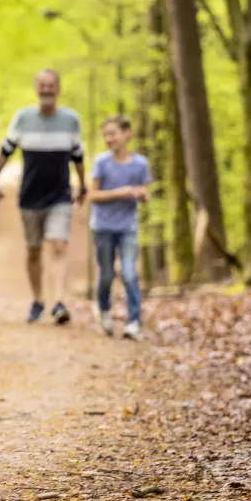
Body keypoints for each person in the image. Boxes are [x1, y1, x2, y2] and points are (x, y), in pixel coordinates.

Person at [0, 69, 86, 325]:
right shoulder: (22, 118)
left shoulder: (71, 120)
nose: (47, 90)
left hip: (60, 195)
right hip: (30, 195)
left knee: (58, 245)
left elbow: (78, 156)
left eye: (51, 85)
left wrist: (82, 184)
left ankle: (58, 302)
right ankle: (37, 300)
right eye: (42, 85)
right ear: (37, 89)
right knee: (33, 250)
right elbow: (6, 151)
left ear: (58, 89)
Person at [88, 116, 151, 340]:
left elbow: (146, 193)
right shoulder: (102, 163)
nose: (109, 139)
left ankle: (134, 321)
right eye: (106, 135)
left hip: (128, 227)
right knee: (106, 275)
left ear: (127, 133)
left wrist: (142, 195)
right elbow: (92, 195)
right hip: (103, 226)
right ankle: (103, 310)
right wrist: (121, 192)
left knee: (129, 273)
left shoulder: (140, 164)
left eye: (113, 133)